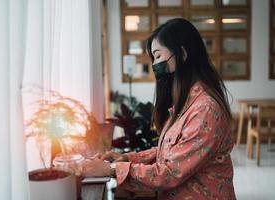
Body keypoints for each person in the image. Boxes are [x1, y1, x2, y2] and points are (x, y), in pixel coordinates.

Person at [82, 18, 236, 199]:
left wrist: (111, 169)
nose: (155, 64)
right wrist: (127, 159)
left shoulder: (206, 110)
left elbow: (170, 172)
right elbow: (173, 153)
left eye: (158, 55)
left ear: (182, 54)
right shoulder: (186, 103)